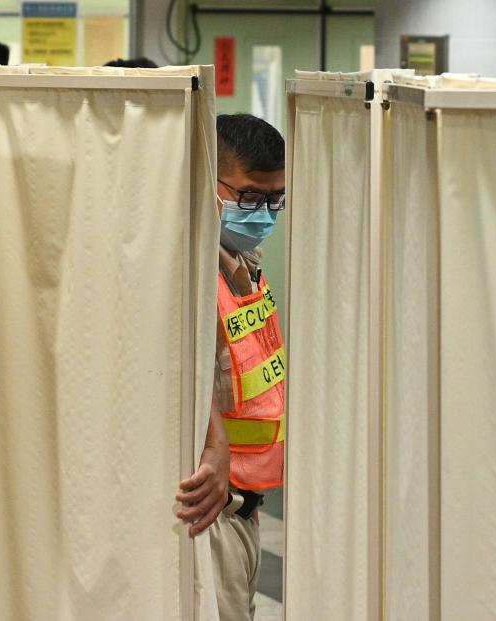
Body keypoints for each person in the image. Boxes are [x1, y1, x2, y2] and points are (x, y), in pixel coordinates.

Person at [176, 113, 287, 620]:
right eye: (246, 197)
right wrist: (212, 439)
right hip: (206, 510)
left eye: (272, 200)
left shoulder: (247, 265)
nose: (260, 213)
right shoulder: (188, 269)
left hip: (246, 506)